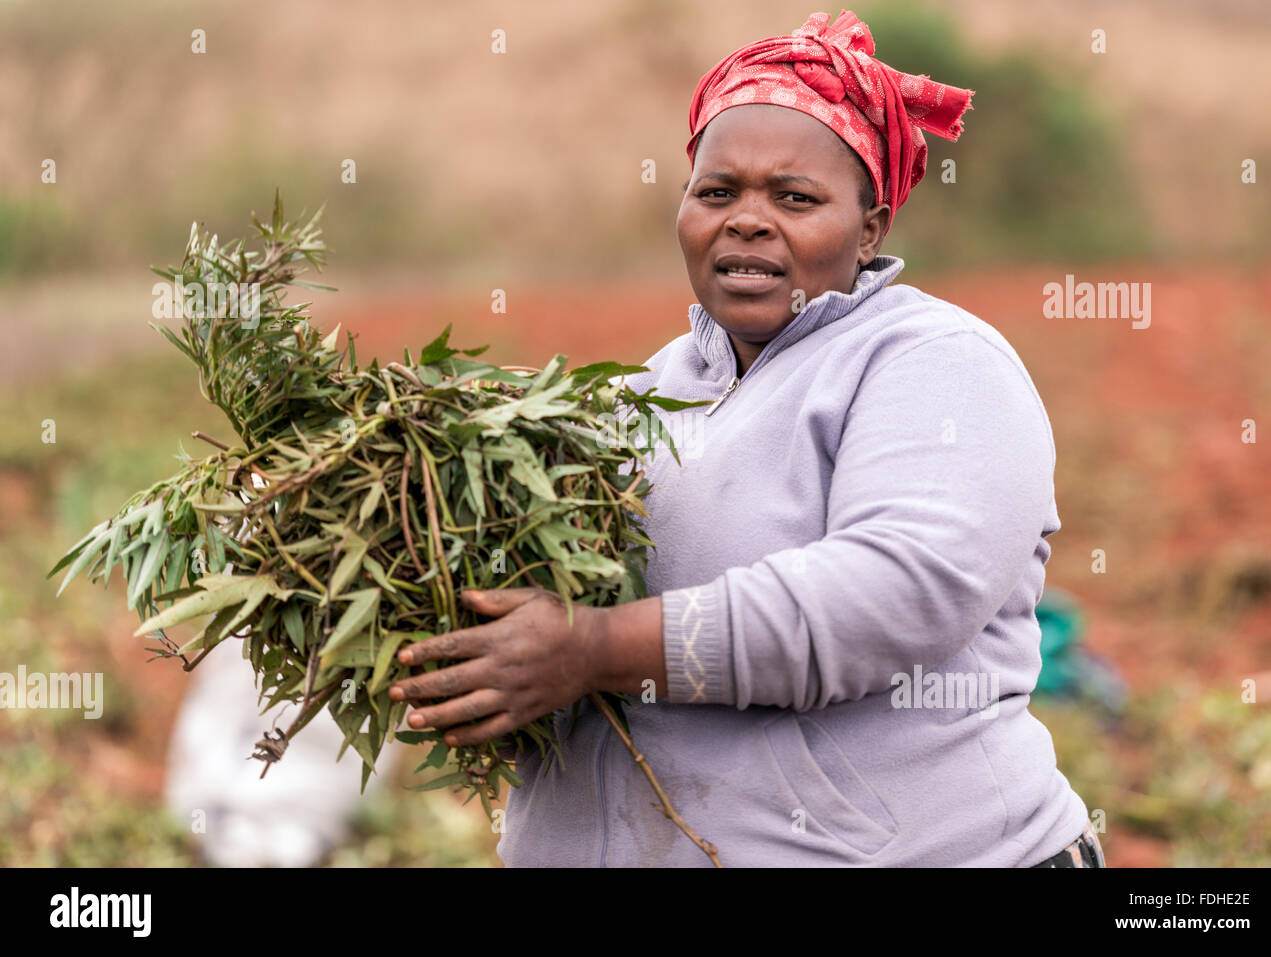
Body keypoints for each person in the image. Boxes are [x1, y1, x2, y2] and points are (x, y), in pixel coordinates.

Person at [389, 8, 1103, 867]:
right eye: (717, 192)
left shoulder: (938, 364)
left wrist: (595, 648)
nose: (747, 220)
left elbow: (891, 594)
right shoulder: (634, 395)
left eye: (795, 198)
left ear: (870, 228)